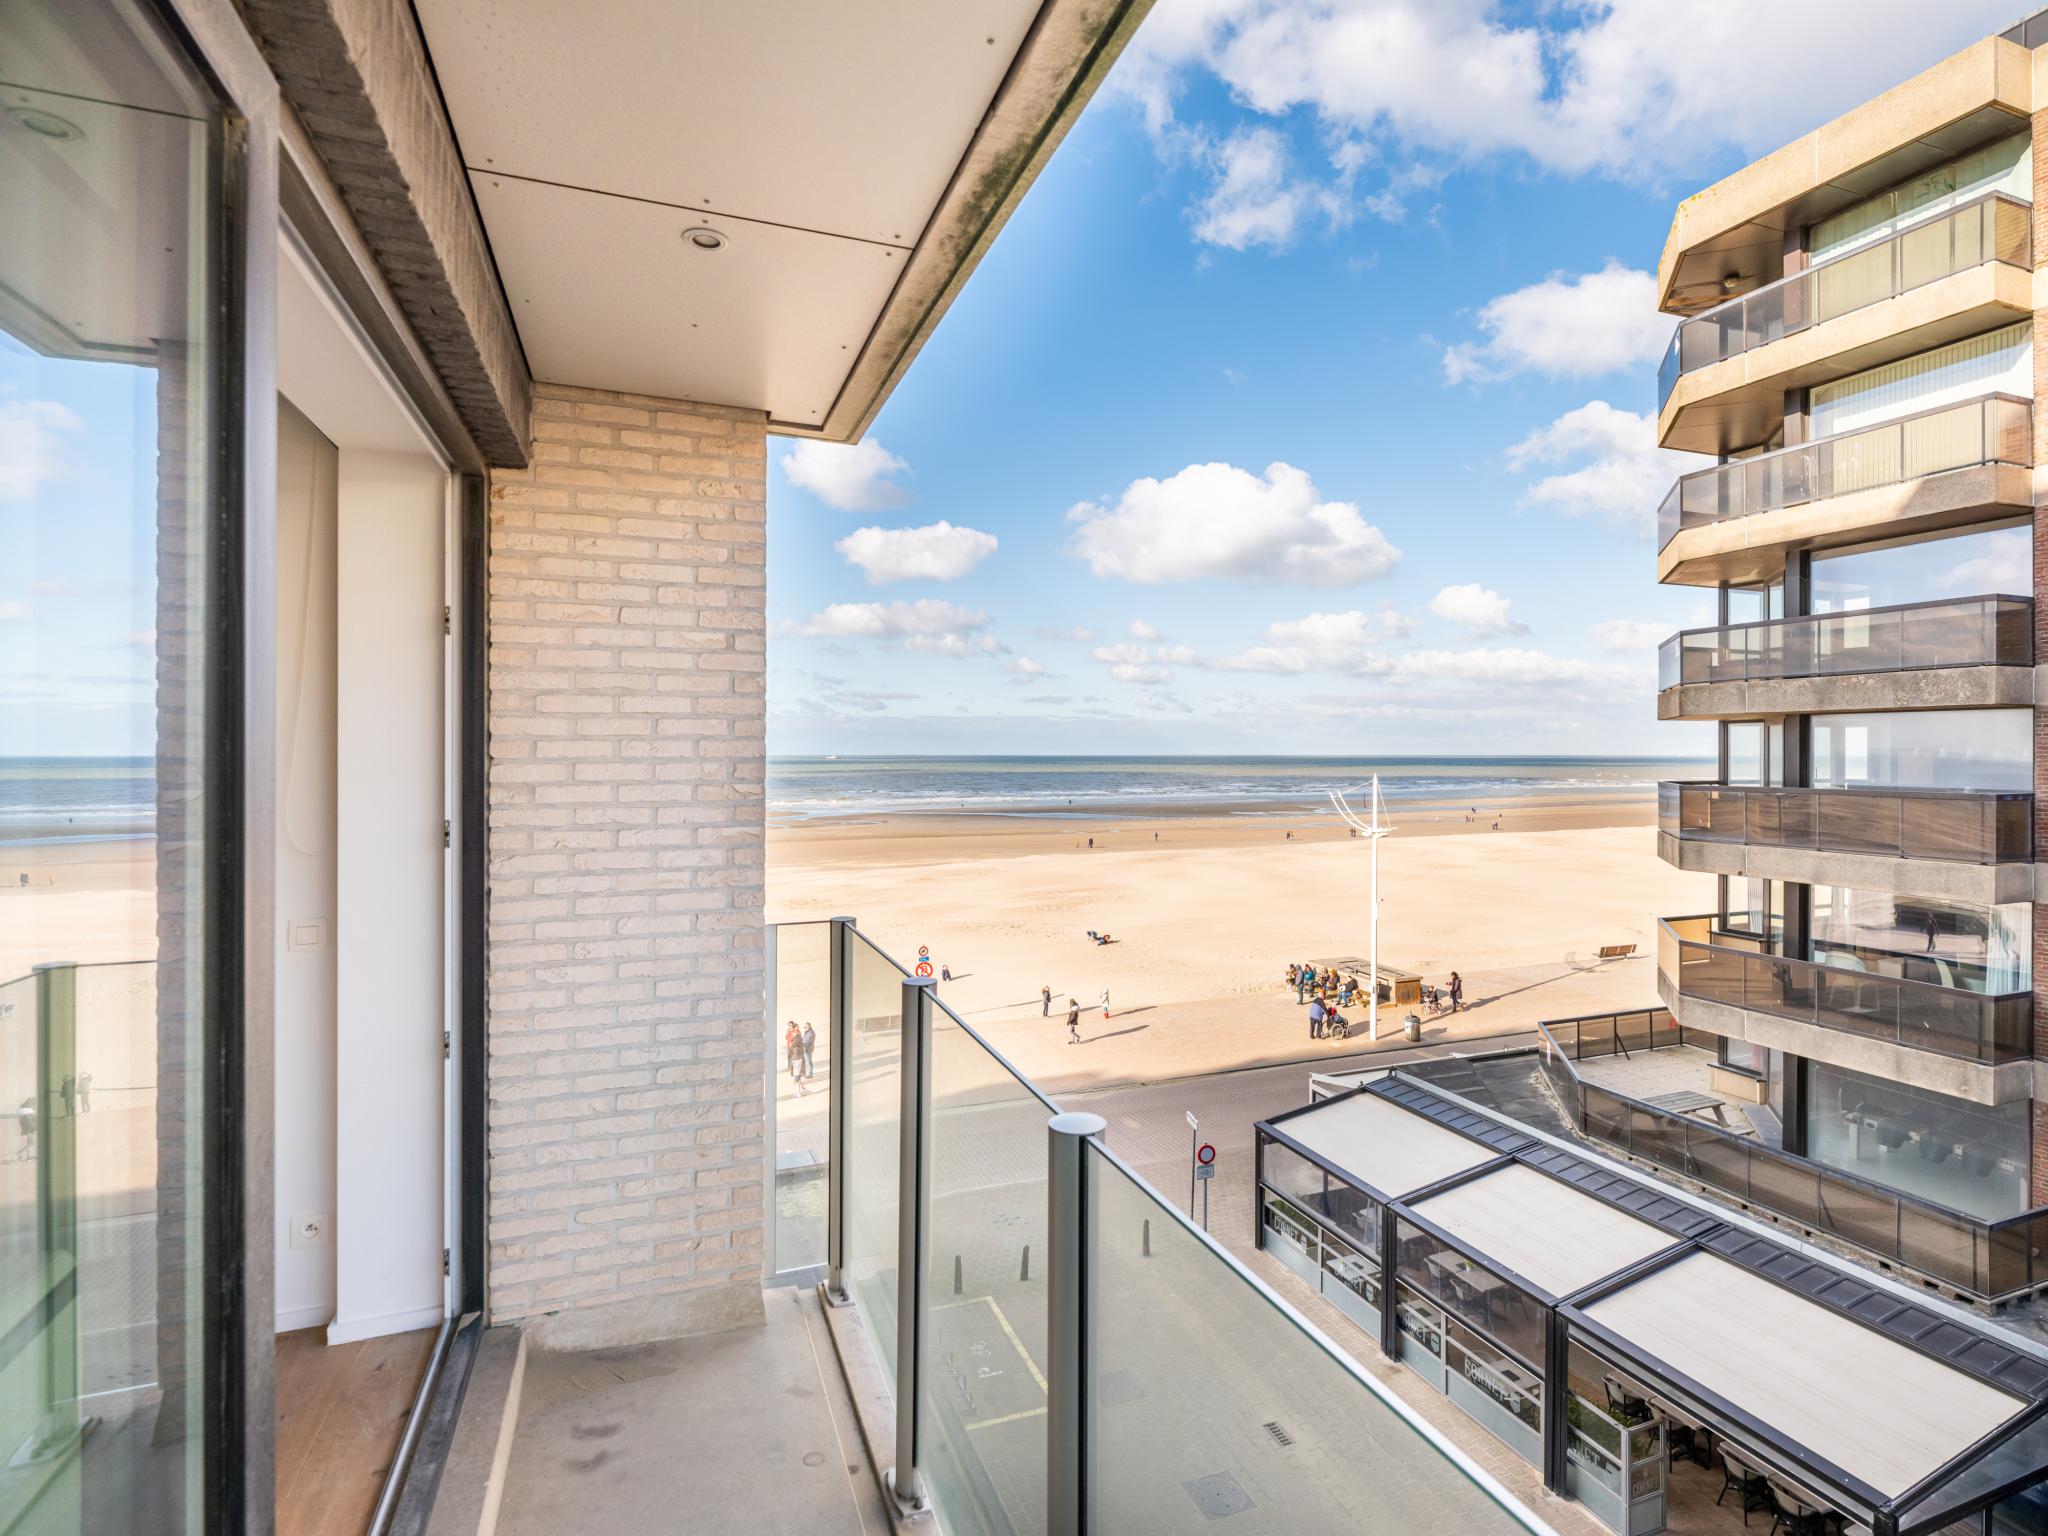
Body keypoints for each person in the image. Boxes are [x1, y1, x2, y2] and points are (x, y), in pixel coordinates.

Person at [15, 1097, 33, 1162]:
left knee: (30, 1143)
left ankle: (29, 1157)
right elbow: (31, 1123)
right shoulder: (28, 1113)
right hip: (31, 1130)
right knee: (31, 1143)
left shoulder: (23, 1113)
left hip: (29, 1130)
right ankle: (18, 1153)